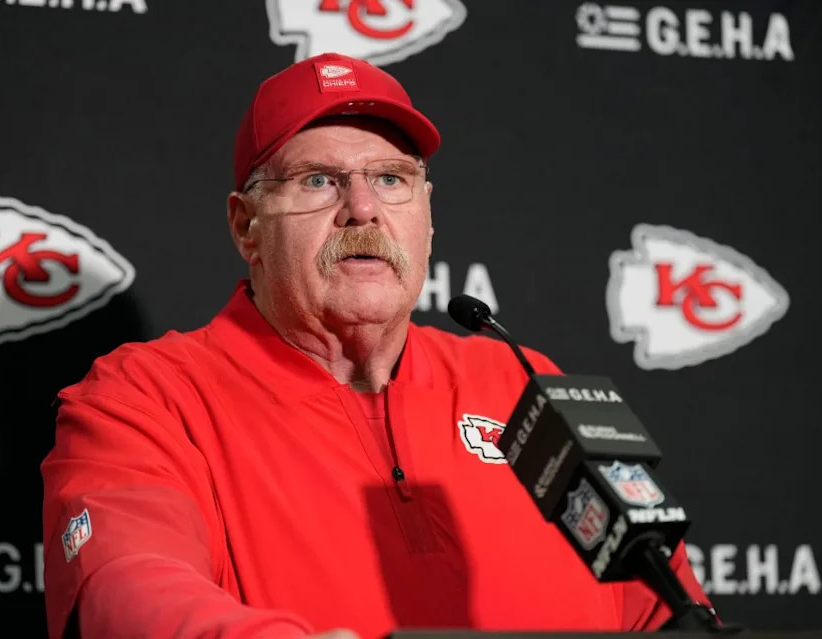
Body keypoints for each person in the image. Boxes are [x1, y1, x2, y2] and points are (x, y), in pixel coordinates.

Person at [40, 52, 714, 639]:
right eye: (318, 180)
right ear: (246, 226)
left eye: (390, 178)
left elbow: (667, 607)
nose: (362, 208)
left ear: (426, 213)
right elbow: (127, 588)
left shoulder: (521, 382)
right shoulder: (146, 396)